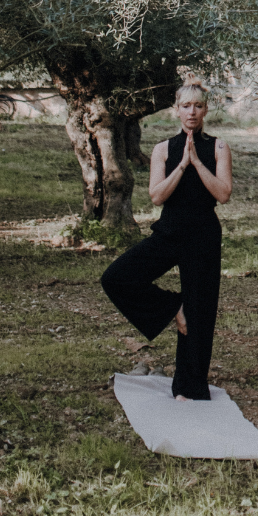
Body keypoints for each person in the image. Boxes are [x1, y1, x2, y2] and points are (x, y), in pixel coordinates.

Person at [101, 82, 232, 400]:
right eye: (186, 106)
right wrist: (183, 164)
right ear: (176, 109)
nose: (192, 112)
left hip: (203, 235)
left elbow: (223, 194)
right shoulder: (162, 150)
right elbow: (156, 196)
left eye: (198, 106)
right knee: (116, 277)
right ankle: (174, 307)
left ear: (205, 110)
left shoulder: (218, 147)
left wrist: (199, 163)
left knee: (201, 313)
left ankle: (189, 388)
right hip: (169, 232)